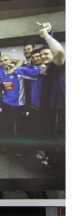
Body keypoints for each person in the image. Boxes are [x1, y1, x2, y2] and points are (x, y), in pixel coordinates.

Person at [0, 54, 43, 157]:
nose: (3, 62)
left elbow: (40, 72)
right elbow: (0, 86)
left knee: (22, 128)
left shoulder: (19, 71)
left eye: (6, 60)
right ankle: (6, 146)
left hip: (19, 104)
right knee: (5, 126)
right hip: (6, 104)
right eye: (1, 61)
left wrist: (14, 66)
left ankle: (20, 148)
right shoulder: (0, 73)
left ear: (11, 60)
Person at [38, 22, 65, 169]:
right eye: (41, 55)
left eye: (46, 54)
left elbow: (59, 53)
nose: (42, 57)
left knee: (62, 141)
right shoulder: (47, 69)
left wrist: (47, 34)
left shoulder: (58, 65)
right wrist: (48, 32)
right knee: (51, 138)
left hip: (61, 110)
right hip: (49, 109)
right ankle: (53, 162)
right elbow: (46, 49)